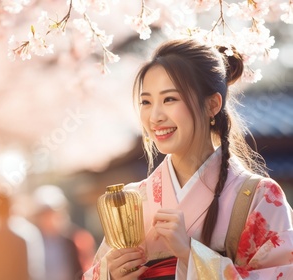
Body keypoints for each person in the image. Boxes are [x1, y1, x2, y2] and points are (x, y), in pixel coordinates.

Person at [83, 39, 293, 279]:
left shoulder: (258, 197)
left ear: (212, 104)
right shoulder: (134, 201)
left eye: (169, 99)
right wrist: (108, 273)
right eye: (146, 102)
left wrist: (190, 254)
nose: (155, 116)